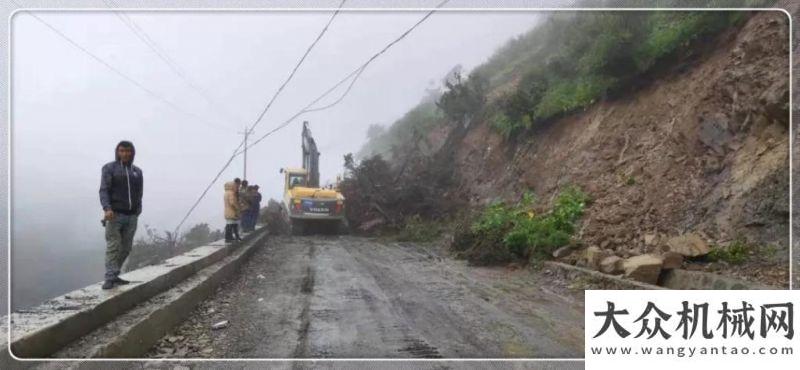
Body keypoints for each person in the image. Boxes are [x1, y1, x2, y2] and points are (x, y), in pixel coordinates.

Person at [99, 140, 143, 290]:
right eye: (122, 151)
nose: (125, 154)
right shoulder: (109, 168)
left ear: (132, 153)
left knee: (126, 247)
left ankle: (115, 274)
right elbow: (104, 190)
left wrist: (138, 210)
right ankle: (110, 277)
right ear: (117, 152)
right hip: (114, 215)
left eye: (128, 151)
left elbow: (139, 193)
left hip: (132, 216)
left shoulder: (137, 171)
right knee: (114, 245)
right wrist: (107, 208)